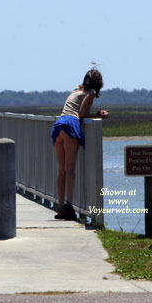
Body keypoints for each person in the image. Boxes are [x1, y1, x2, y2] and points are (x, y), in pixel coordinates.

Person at [50, 69, 109, 220]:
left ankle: (61, 207)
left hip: (58, 125)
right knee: (70, 169)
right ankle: (69, 205)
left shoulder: (76, 91)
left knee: (62, 171)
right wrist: (98, 115)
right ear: (98, 83)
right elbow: (82, 114)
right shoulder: (90, 93)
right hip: (71, 124)